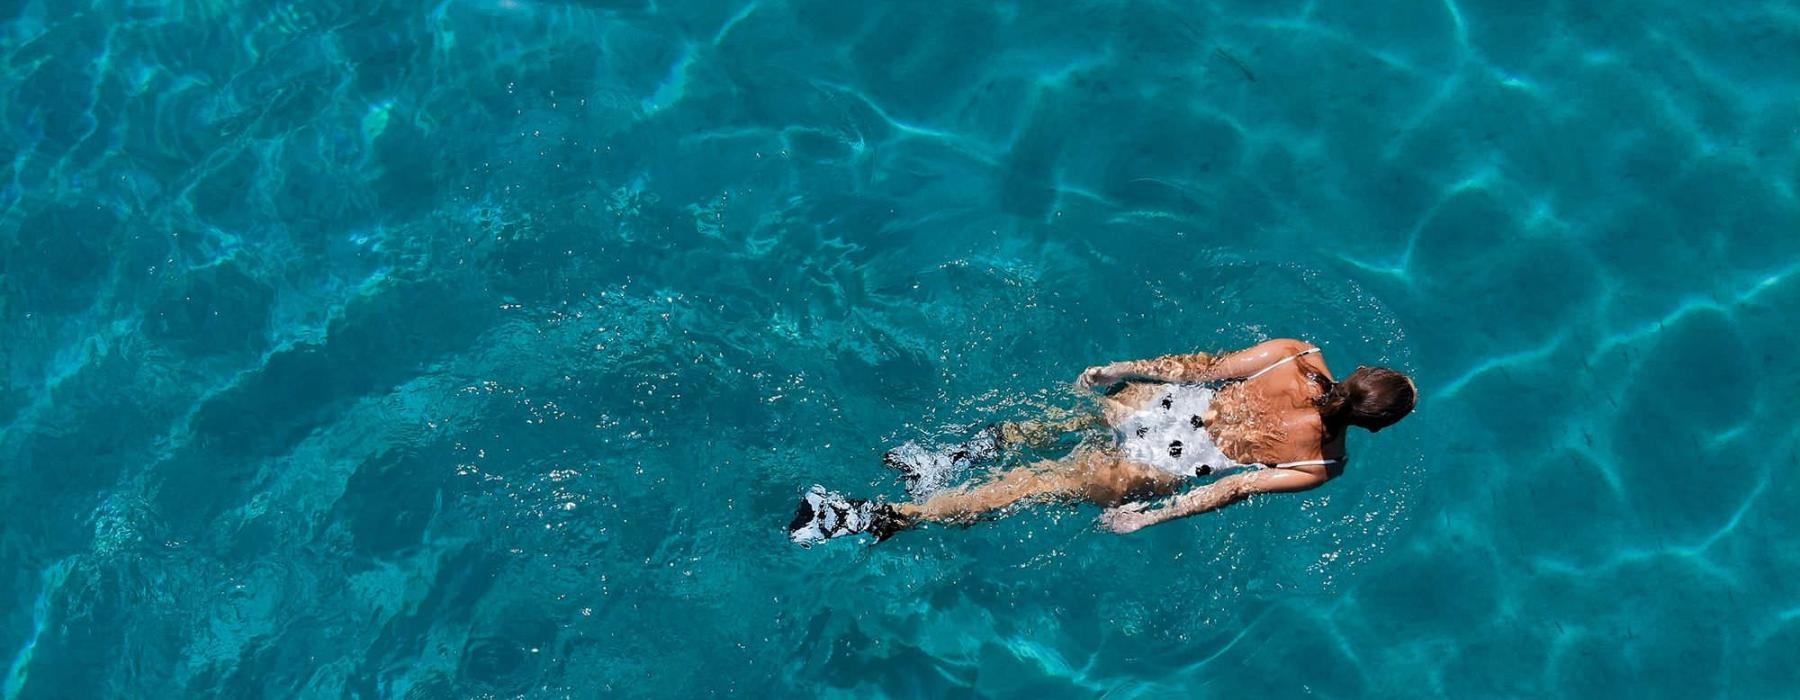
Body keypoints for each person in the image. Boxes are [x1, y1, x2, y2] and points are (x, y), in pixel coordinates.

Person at [786, 339, 1417, 546]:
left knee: (1056, 422)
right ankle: (879, 517)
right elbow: (1230, 487)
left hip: (1168, 404)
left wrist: (1122, 370)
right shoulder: (1320, 463)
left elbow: (1199, 365)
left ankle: (943, 460)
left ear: (1360, 374)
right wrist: (1151, 516)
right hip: (1165, 465)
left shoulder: (1296, 353)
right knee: (1030, 486)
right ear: (1375, 426)